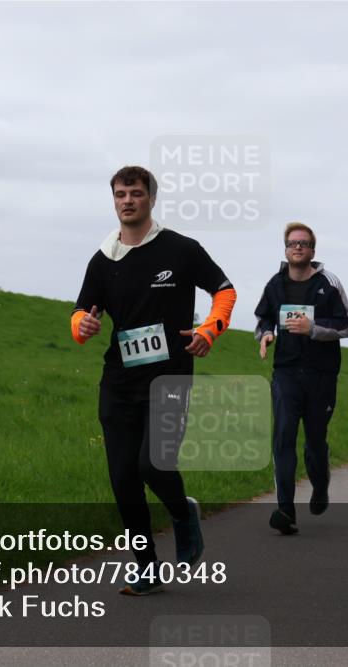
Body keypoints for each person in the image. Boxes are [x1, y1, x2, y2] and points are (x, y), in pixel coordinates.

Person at [71, 166, 236, 594]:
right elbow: (81, 312)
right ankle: (146, 568)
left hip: (170, 379)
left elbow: (224, 290)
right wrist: (81, 326)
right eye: (121, 194)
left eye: (136, 193)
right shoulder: (103, 259)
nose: (128, 200)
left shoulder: (180, 249)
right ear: (114, 200)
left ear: (151, 199)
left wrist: (210, 330)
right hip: (119, 382)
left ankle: (182, 512)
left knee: (152, 465)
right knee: (124, 477)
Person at [255, 223, 348, 533]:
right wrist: (266, 335)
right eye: (292, 243)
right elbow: (263, 320)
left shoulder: (328, 283)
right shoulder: (274, 285)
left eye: (303, 243)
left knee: (315, 442)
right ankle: (285, 511)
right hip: (285, 372)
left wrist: (312, 329)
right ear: (285, 250)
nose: (297, 247)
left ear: (313, 250)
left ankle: (320, 482)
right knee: (283, 438)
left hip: (321, 375)